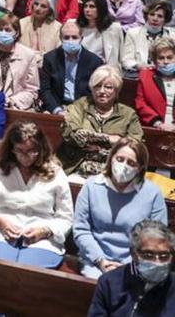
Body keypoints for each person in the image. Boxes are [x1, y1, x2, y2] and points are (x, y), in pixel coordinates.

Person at [0, 122, 73, 274]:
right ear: (11, 148)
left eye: (32, 151)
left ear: (41, 148)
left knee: (29, 273)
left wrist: (45, 231)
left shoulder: (56, 173)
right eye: (20, 151)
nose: (26, 157)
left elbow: (65, 216)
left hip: (42, 237)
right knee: (1, 268)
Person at [74, 139, 170, 280]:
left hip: (136, 264)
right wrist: (101, 260)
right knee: (102, 286)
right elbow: (81, 229)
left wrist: (130, 265)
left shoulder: (152, 193)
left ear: (140, 167)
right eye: (120, 159)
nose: (124, 166)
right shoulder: (91, 186)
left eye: (131, 163)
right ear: (111, 158)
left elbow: (156, 237)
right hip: (95, 261)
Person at [58, 65, 144, 178]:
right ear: (92, 88)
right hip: (77, 168)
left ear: (116, 90)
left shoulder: (128, 114)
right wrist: (109, 139)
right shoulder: (80, 105)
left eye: (108, 87)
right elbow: (73, 134)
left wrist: (100, 150)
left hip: (113, 171)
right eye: (97, 86)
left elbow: (134, 146)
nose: (102, 91)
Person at [88, 220, 175, 316]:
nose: (157, 262)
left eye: (164, 256)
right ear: (133, 253)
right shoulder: (109, 282)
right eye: (148, 255)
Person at [0, 13, 42, 111]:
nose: (3, 33)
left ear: (16, 33)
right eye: (0, 29)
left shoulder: (28, 55)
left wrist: (12, 100)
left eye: (7, 30)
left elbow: (32, 90)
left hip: (16, 105)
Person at [41, 21, 105, 114]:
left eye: (74, 37)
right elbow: (45, 90)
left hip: (83, 110)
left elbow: (95, 92)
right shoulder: (50, 58)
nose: (70, 41)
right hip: (57, 107)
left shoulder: (95, 62)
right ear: (61, 38)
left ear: (81, 38)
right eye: (66, 37)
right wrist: (57, 110)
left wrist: (78, 111)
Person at [135, 37, 175, 129]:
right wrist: (158, 123)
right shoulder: (145, 76)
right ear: (154, 60)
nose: (165, 62)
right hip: (154, 126)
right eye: (161, 58)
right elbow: (140, 103)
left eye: (170, 57)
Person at [81, 0, 124, 65]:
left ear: (101, 8)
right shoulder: (77, 26)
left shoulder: (114, 28)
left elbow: (120, 55)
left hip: (105, 69)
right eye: (85, 6)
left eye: (92, 7)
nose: (87, 10)